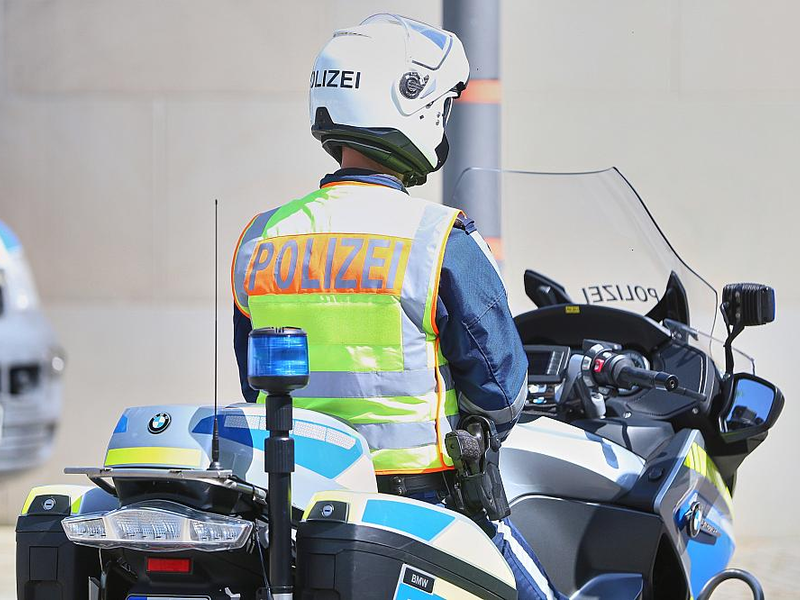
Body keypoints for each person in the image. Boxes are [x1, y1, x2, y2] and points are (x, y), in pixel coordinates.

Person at [231, 14, 562, 600]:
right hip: (417, 501)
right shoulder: (436, 237)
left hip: (291, 501)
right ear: (411, 104)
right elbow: (500, 385)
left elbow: (252, 377)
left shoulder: (262, 237)